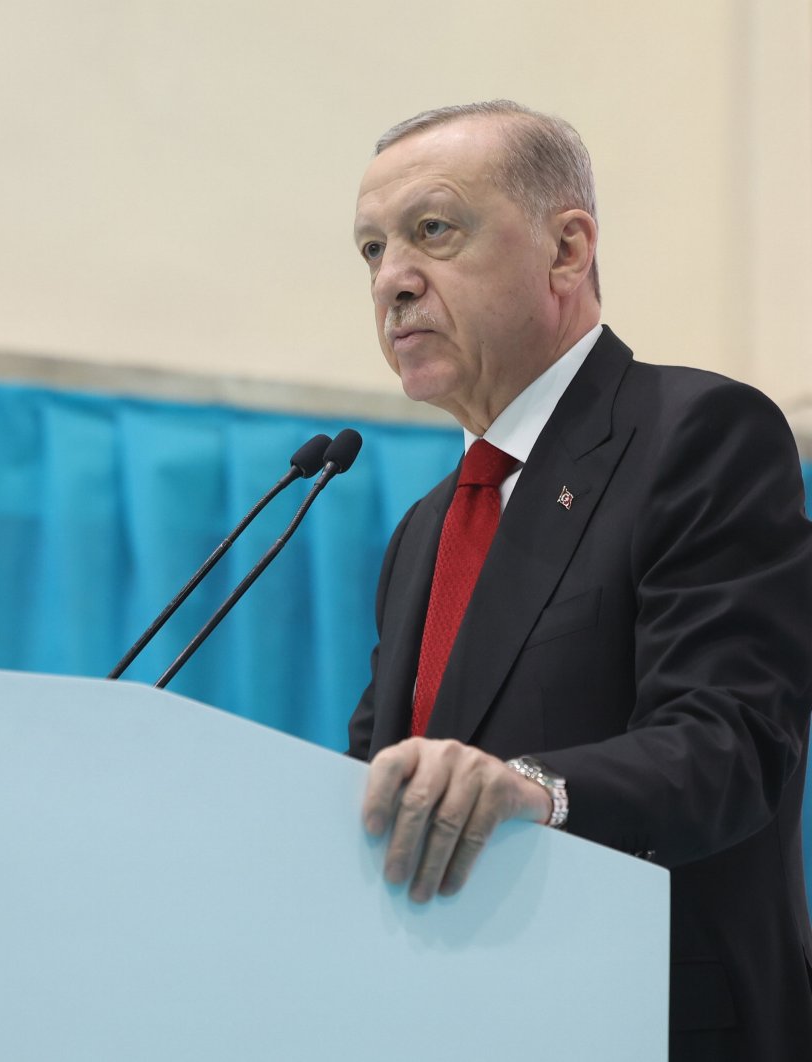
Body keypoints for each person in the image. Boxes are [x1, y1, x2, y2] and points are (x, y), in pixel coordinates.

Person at [345, 100, 812, 1061]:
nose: (392, 280)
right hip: (447, 1023)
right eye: (371, 251)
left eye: (432, 231)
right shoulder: (423, 532)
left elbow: (732, 744)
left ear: (567, 249)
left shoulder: (700, 435)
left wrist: (530, 791)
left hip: (649, 1021)